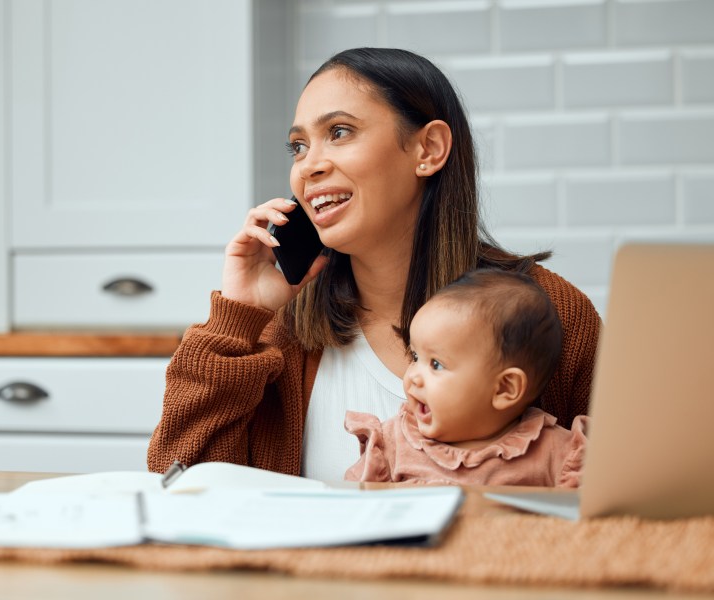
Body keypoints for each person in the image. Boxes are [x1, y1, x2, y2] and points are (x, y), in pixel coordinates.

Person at [147, 47, 601, 480]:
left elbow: (623, 495)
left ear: (429, 150)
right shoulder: (282, 331)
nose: (308, 167)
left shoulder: (552, 314)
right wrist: (239, 318)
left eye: (339, 133)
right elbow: (181, 483)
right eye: (299, 147)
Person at [344, 268, 588, 488]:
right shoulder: (394, 444)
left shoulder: (556, 454)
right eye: (415, 357)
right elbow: (350, 512)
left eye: (436, 364)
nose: (414, 377)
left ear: (505, 388)